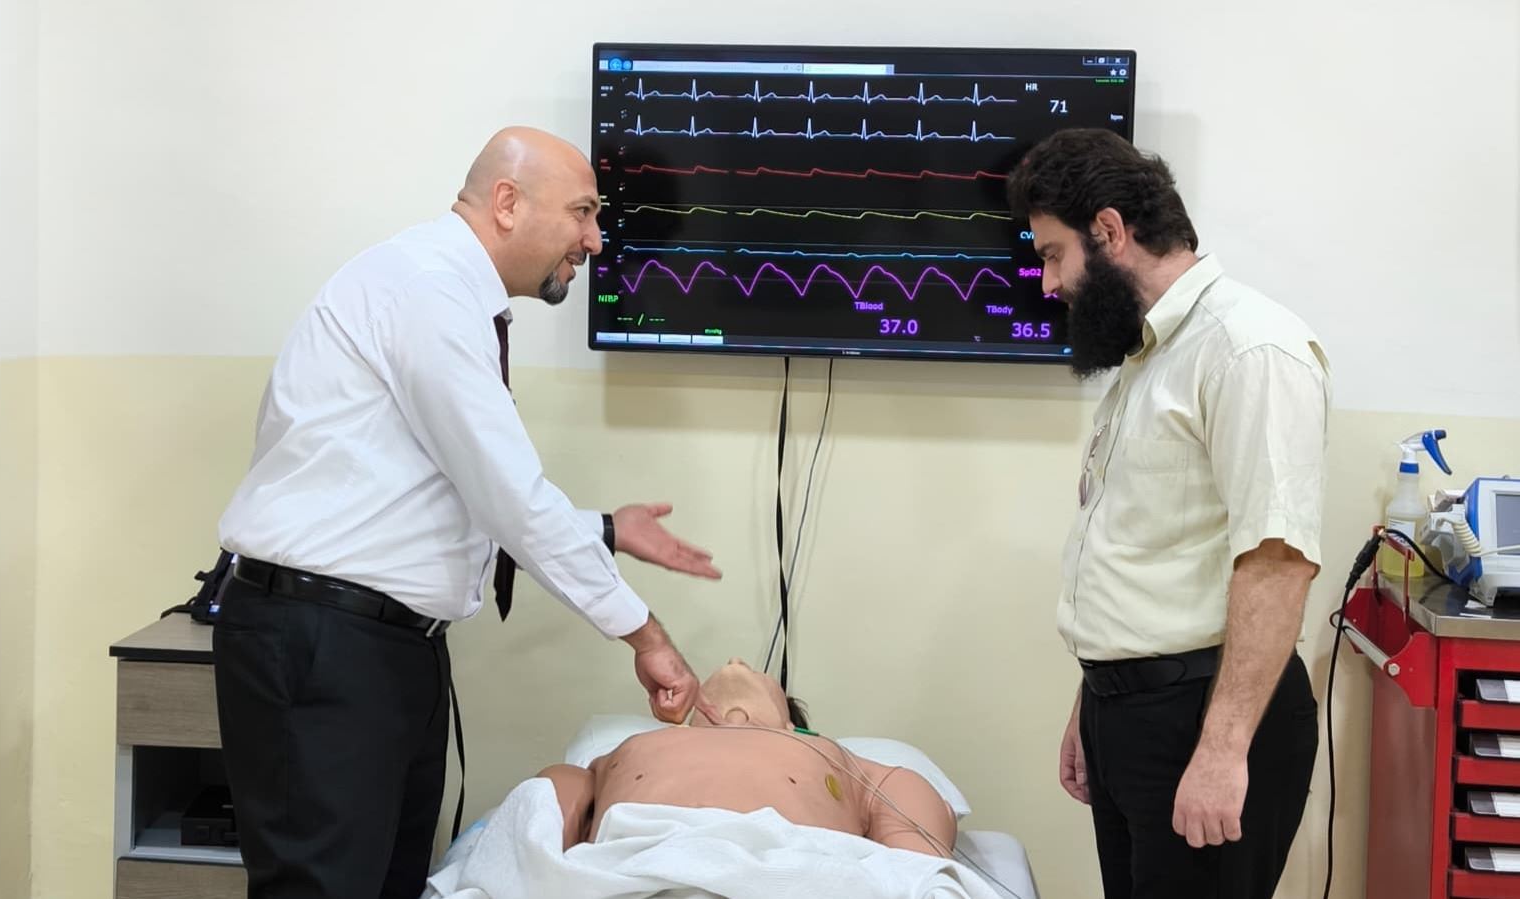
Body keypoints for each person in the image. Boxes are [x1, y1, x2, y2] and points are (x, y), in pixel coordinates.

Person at [212, 125, 724, 899]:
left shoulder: (447, 294)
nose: (594, 239)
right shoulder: (427, 290)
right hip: (325, 645)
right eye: (583, 212)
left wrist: (606, 529)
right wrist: (646, 636)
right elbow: (510, 496)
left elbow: (439, 487)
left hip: (380, 649)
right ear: (508, 202)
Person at [1006, 129, 1329, 899]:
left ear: (1108, 230)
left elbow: (1276, 562)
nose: (1047, 282)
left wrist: (1221, 751)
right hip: (1131, 715)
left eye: (1052, 254)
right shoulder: (1150, 358)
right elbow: (1141, 550)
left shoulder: (1248, 349)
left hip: (1205, 717)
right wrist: (1094, 698)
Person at [537, 657, 958, 857]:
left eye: (754, 673)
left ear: (791, 725)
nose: (735, 660)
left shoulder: (828, 754)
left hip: (790, 877)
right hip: (633, 874)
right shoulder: (633, 748)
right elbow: (541, 813)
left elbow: (916, 847)